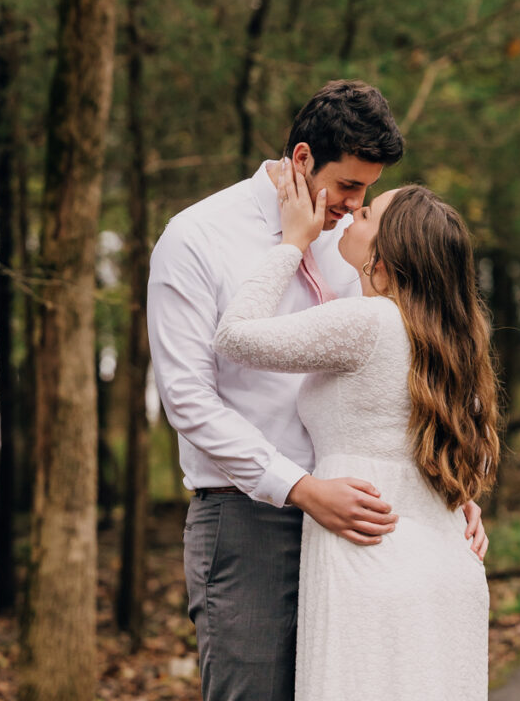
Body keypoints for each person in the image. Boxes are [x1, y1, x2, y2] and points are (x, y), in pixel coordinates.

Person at [147, 80, 488, 701]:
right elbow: (188, 402)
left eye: (368, 191)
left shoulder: (361, 242)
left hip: (366, 529)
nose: (355, 206)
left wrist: (442, 489)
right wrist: (302, 488)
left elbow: (404, 373)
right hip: (252, 516)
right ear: (302, 158)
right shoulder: (196, 237)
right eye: (349, 186)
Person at [214, 162, 499, 701]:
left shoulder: (367, 321)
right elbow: (458, 448)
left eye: (366, 214)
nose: (351, 215)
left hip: (371, 557)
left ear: (383, 259)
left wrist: (292, 243)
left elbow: (236, 337)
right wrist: (458, 500)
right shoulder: (455, 339)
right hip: (448, 566)